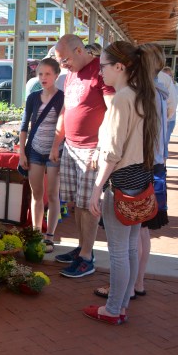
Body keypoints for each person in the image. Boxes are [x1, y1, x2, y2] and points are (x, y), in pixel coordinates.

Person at [85, 41, 159, 325]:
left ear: (119, 66)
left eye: (102, 66)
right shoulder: (143, 95)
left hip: (121, 183)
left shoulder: (121, 99)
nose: (99, 72)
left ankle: (113, 309)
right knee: (127, 248)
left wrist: (96, 188)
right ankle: (122, 303)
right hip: (140, 180)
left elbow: (113, 152)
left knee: (118, 251)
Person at [51, 34, 115, 278]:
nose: (63, 66)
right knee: (75, 202)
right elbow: (66, 109)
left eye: (64, 60)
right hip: (71, 147)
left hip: (92, 149)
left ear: (79, 51)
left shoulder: (100, 70)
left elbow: (112, 112)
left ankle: (87, 257)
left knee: (88, 205)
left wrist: (102, 146)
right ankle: (81, 248)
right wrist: (57, 142)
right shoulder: (71, 76)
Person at [18, 58, 64, 252]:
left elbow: (64, 126)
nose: (43, 77)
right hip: (35, 150)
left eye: (47, 74)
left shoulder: (62, 97)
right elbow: (24, 127)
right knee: (37, 194)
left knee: (53, 195)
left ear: (56, 75)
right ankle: (36, 234)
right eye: (40, 74)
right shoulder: (33, 97)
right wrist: (22, 153)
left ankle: (50, 237)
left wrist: (55, 146)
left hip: (55, 152)